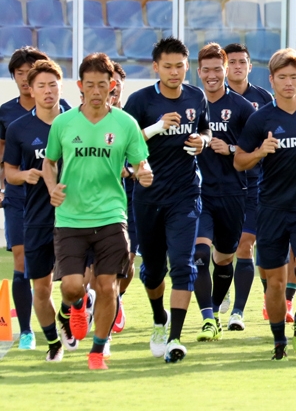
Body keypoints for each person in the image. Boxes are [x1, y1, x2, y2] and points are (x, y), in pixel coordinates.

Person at [41, 53, 152, 370]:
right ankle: (77, 304)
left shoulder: (125, 124)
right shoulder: (63, 123)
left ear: (111, 86)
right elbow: (49, 163)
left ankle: (98, 350)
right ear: (79, 86)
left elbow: (139, 161)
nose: (95, 91)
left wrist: (144, 172)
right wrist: (52, 188)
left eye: (102, 85)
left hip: (111, 216)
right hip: (71, 218)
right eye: (89, 85)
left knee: (108, 286)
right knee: (72, 285)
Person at [234, 48, 296, 360]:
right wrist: (260, 151)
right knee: (274, 283)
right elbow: (239, 161)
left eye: (295, 77)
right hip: (272, 209)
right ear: (272, 80)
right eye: (283, 77)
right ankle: (278, 341)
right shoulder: (260, 118)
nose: (289, 83)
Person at [123, 37, 211, 363]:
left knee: (183, 264)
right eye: (168, 66)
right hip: (147, 197)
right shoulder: (140, 101)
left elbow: (205, 131)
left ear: (187, 67)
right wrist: (158, 127)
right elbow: (125, 145)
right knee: (153, 271)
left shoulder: (196, 96)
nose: (174, 72)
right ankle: (159, 317)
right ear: (156, 67)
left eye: (180, 66)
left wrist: (201, 141)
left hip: (186, 194)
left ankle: (175, 337)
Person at [4, 59, 71, 361]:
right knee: (41, 289)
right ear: (30, 89)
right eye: (41, 86)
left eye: (53, 84)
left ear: (61, 86)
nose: (48, 91)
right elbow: (10, 172)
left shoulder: (77, 122)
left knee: (77, 283)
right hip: (36, 217)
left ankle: (71, 314)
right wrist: (26, 176)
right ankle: (53, 342)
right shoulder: (19, 128)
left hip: (75, 214)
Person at [192, 43, 255, 339]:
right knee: (200, 254)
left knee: (224, 258)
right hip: (197, 193)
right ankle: (208, 317)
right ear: (198, 72)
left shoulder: (243, 108)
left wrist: (230, 148)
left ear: (226, 70)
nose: (212, 75)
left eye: (218, 69)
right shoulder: (190, 103)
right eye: (206, 70)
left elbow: (255, 151)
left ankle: (216, 309)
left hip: (233, 193)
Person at [222, 43, 281, 322]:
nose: (237, 66)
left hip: (255, 181)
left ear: (250, 65)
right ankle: (222, 285)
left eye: (242, 61)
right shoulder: (210, 97)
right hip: (219, 183)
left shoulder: (264, 98)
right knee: (223, 249)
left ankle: (238, 312)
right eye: (231, 62)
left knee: (246, 243)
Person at [0, 46, 49, 350]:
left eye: (29, 73)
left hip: (55, 199)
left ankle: (71, 309)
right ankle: (28, 331)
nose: (24, 79)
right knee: (21, 259)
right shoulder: (6, 113)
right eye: (19, 74)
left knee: (53, 266)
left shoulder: (62, 110)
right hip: (18, 195)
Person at [110, 62, 133, 334]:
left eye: (117, 85)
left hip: (130, 201)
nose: (113, 90)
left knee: (128, 267)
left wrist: (133, 170)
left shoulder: (130, 120)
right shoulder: (82, 120)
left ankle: (116, 297)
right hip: (93, 203)